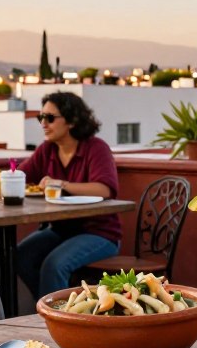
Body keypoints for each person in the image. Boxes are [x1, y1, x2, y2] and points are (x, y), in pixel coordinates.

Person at [16, 92, 121, 297]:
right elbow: (21, 176)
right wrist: (5, 180)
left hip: (99, 233)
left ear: (72, 121)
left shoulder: (96, 148)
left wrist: (61, 184)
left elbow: (105, 189)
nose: (43, 124)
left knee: (54, 265)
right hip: (61, 230)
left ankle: (54, 318)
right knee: (19, 257)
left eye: (50, 118)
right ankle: (47, 306)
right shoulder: (47, 149)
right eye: (41, 118)